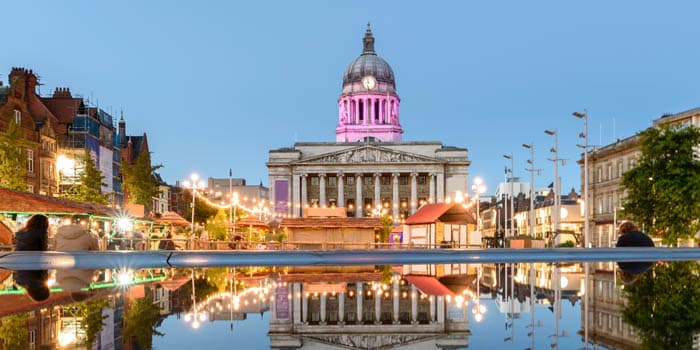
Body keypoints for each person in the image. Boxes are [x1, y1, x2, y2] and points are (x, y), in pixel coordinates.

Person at [13, 215, 50, 301]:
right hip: (32, 261)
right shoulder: (20, 282)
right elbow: (42, 252)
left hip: (21, 260)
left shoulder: (20, 233)